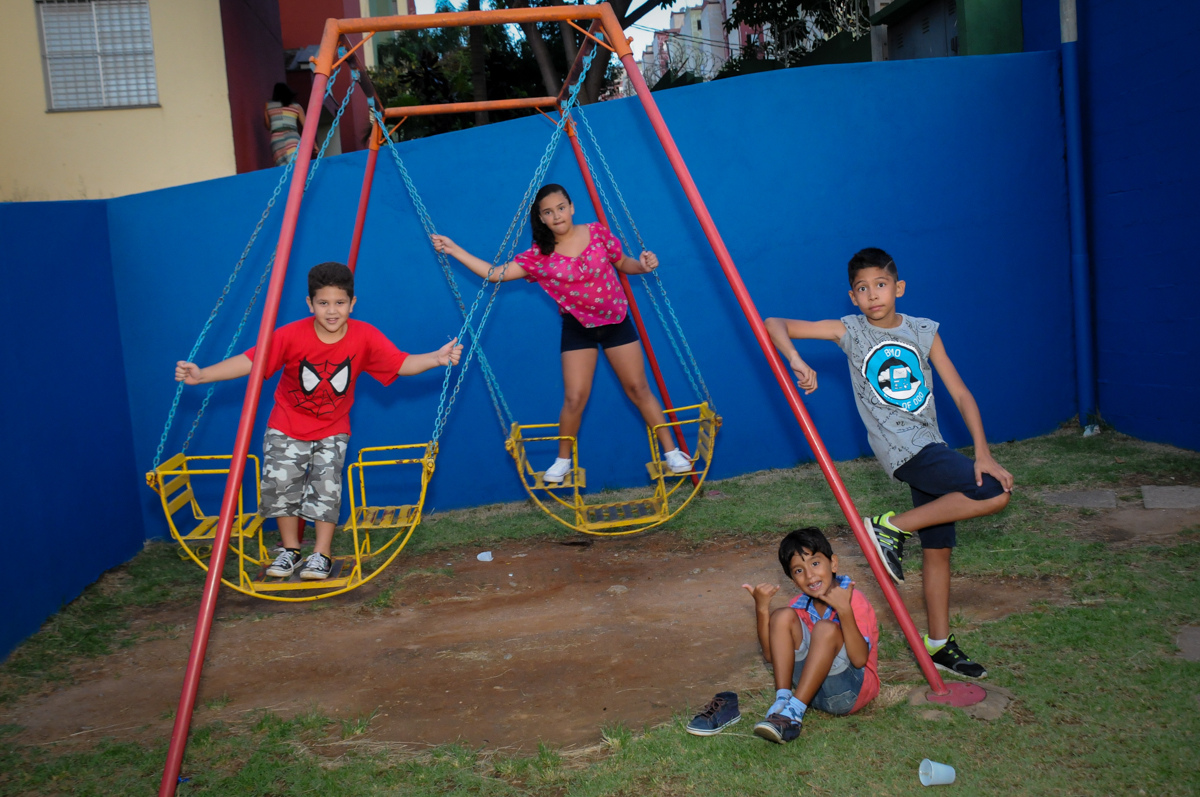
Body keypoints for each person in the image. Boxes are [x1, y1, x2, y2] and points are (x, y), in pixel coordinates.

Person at [764, 247, 1013, 679]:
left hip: (932, 442)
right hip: (903, 450)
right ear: (852, 297)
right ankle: (890, 526)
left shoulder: (923, 331)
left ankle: (938, 643)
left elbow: (961, 393)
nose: (872, 295)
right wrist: (796, 359)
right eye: (862, 289)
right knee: (993, 492)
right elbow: (774, 324)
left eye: (880, 285)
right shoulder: (851, 332)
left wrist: (983, 451)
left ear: (898, 287)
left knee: (938, 551)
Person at [175, 262, 462, 580]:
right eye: (323, 303)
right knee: (281, 485)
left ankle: (321, 554)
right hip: (286, 422)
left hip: (333, 426)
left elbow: (400, 363)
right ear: (309, 304)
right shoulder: (289, 335)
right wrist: (203, 375)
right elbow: (249, 361)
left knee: (326, 486)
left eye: (339, 303)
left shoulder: (365, 336)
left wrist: (435, 359)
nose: (332, 311)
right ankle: (290, 550)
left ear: (353, 303)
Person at [431, 183, 693, 483]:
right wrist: (454, 250)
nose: (556, 216)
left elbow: (623, 263)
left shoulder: (596, 233)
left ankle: (671, 452)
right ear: (541, 219)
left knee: (638, 389)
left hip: (615, 321)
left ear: (571, 207)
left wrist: (643, 266)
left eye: (560, 208)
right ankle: (562, 460)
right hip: (578, 328)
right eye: (548, 212)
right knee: (574, 397)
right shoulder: (540, 256)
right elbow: (494, 274)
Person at [739, 527, 879, 744]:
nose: (809, 575)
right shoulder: (798, 606)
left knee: (824, 629)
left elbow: (860, 659)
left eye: (815, 563)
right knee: (782, 615)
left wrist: (845, 611)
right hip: (813, 695)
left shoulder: (853, 599)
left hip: (850, 693)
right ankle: (783, 702)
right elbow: (771, 656)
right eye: (798, 570)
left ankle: (793, 714)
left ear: (833, 563)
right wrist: (762, 609)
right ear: (793, 581)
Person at [265, 82, 305, 167]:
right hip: (292, 138)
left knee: (282, 171)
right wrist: (314, 145)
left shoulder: (268, 105)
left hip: (276, 141)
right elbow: (307, 127)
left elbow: (268, 126)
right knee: (296, 168)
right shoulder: (297, 107)